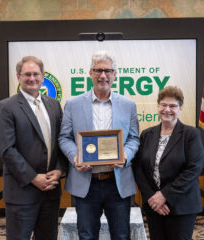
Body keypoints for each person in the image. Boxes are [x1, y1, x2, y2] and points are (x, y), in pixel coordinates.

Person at [58, 50, 140, 240]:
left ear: (115, 74)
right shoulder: (73, 104)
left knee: (121, 236)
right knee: (86, 236)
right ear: (90, 73)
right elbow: (64, 138)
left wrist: (125, 156)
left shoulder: (128, 105)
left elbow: (134, 138)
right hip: (86, 183)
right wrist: (75, 157)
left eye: (108, 71)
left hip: (117, 183)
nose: (103, 75)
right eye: (98, 70)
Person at [0, 56, 67, 240]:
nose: (32, 78)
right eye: (27, 74)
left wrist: (59, 170)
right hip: (21, 191)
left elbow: (62, 141)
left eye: (36, 74)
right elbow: (6, 149)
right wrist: (33, 178)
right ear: (18, 77)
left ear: (43, 77)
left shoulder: (54, 105)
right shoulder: (6, 107)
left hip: (50, 191)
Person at [133, 86, 204, 240]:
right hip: (154, 206)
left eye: (172, 106)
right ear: (158, 107)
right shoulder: (147, 134)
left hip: (181, 205)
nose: (167, 109)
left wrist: (164, 195)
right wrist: (152, 197)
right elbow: (138, 167)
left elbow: (193, 169)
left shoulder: (191, 134)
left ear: (180, 109)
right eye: (163, 105)